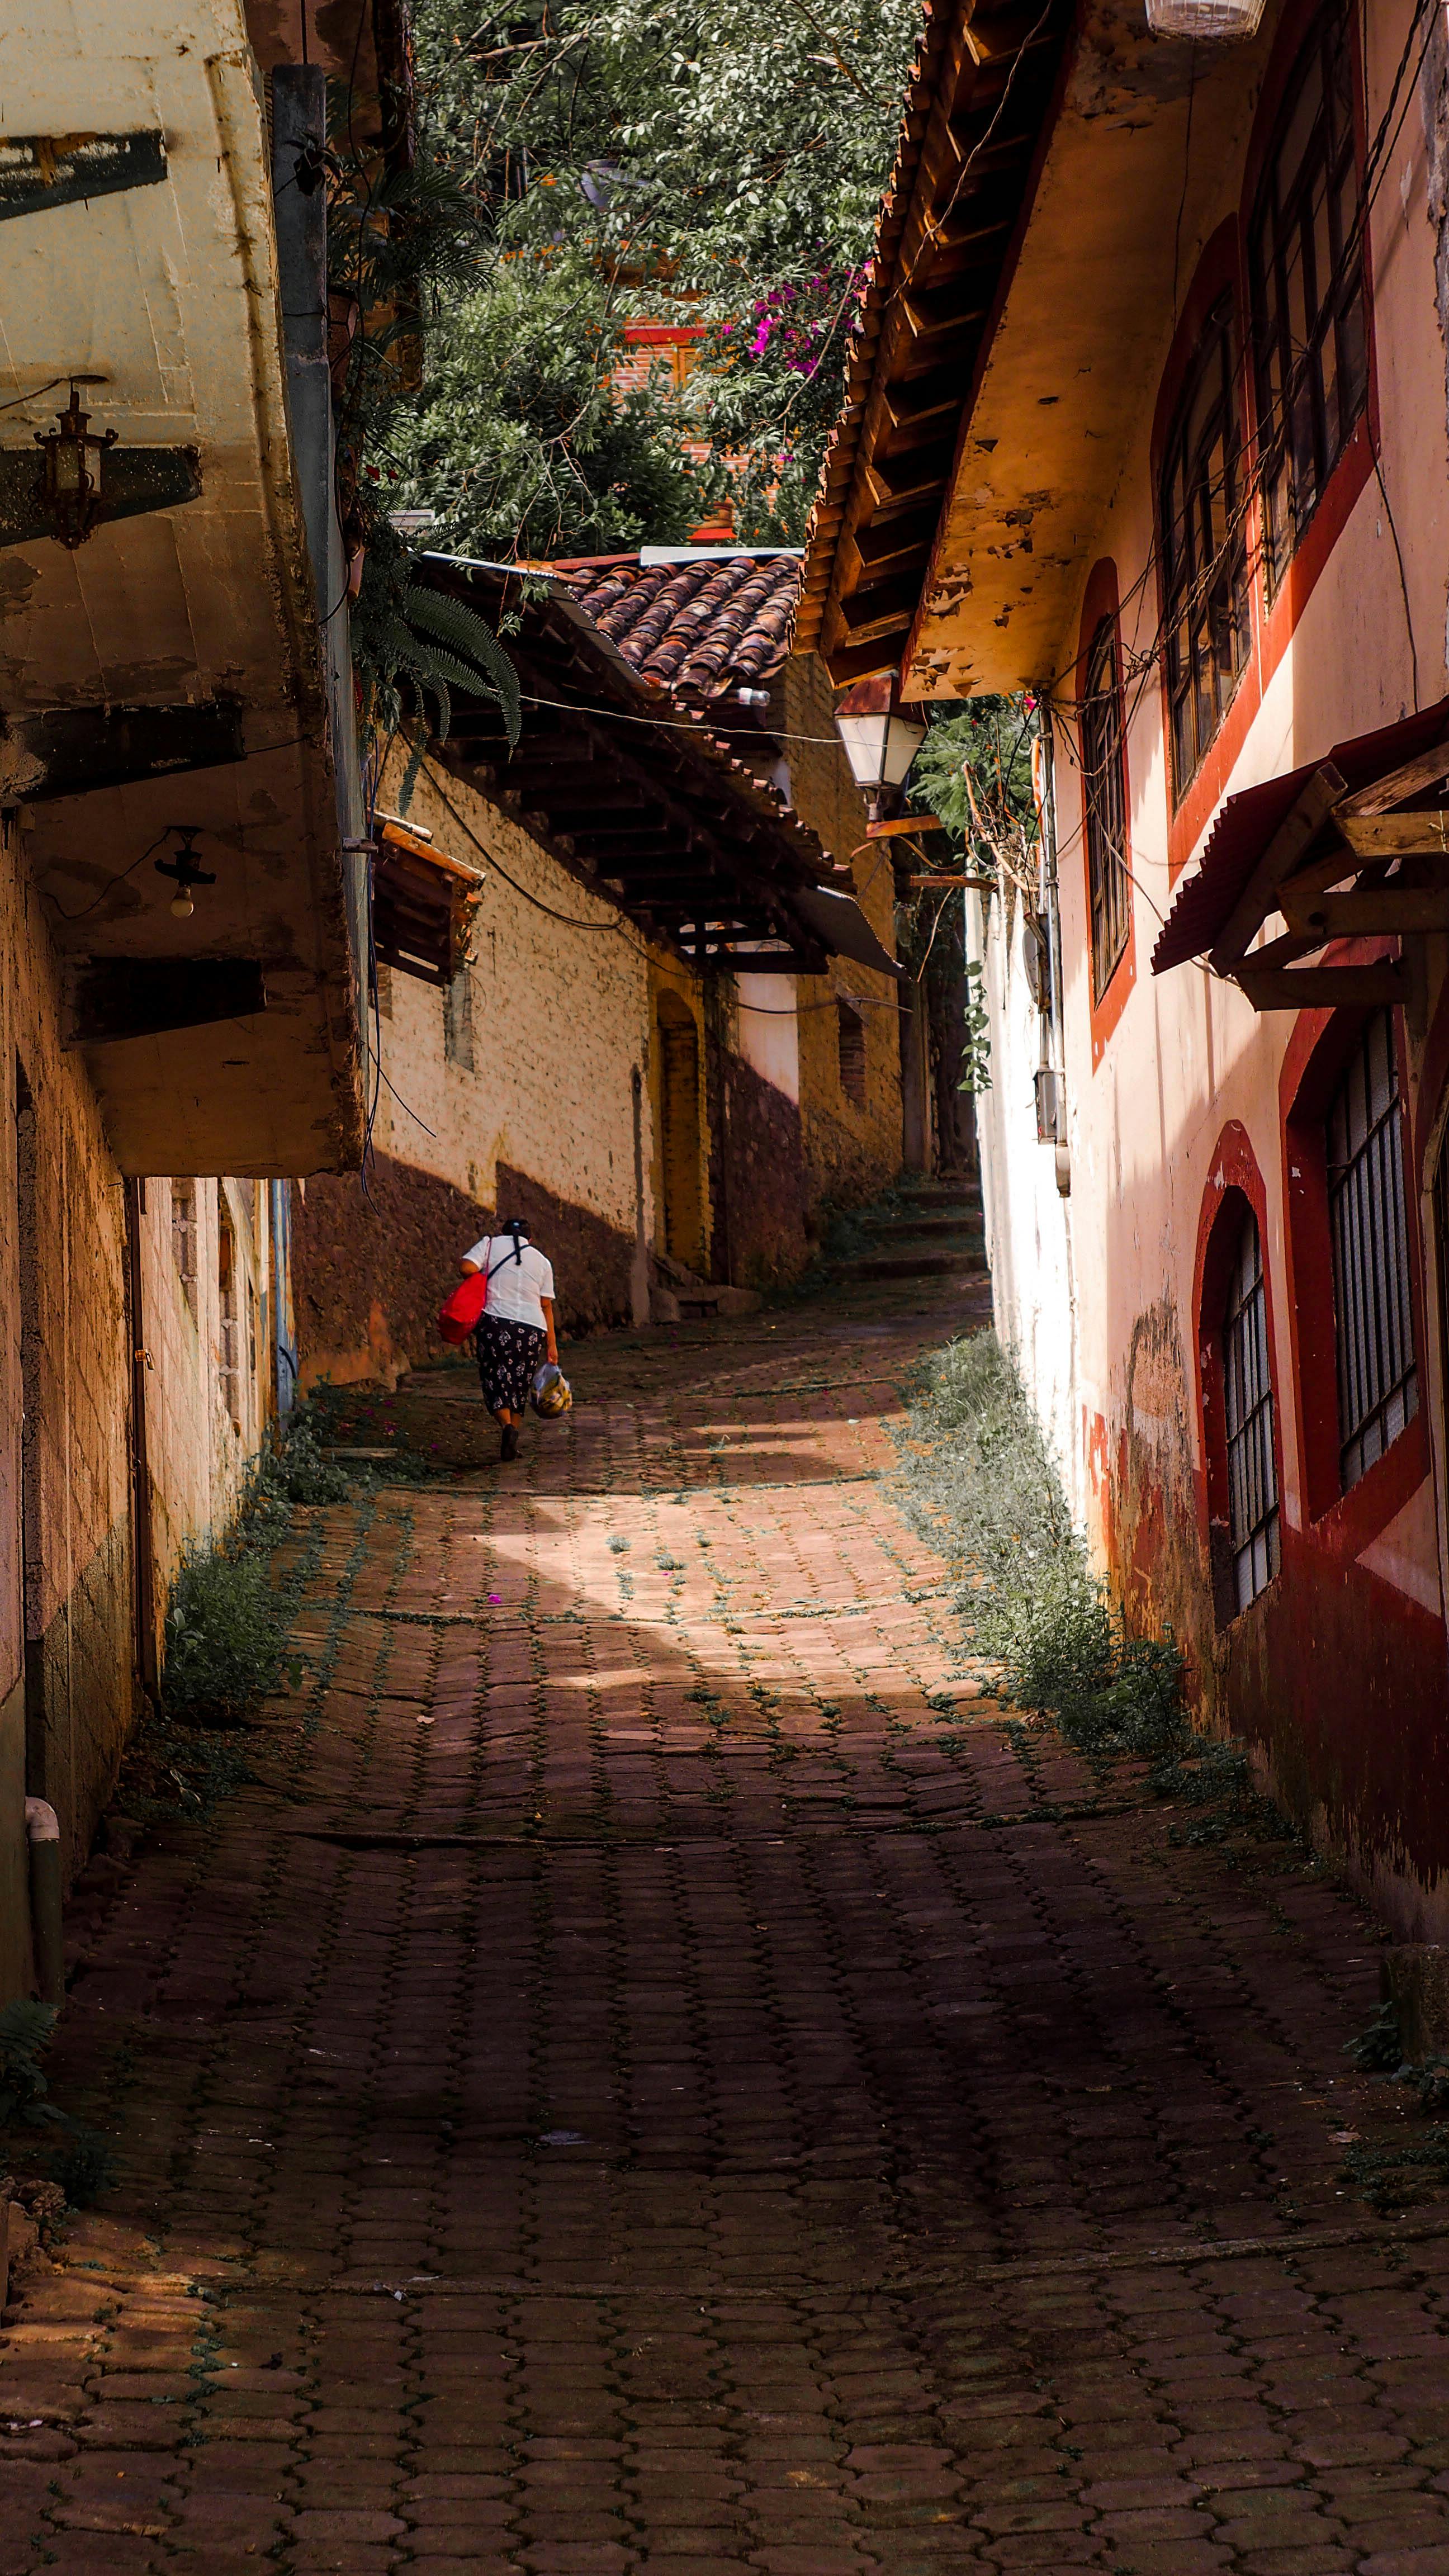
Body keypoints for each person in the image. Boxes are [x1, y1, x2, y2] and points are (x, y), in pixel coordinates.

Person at [458, 1219, 557, 1461]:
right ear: (530, 1240)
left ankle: (507, 1428)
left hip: (496, 1320)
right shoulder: (542, 1261)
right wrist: (552, 1345)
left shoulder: (490, 1245)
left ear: (501, 1233)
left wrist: (486, 1277)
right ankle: (513, 1437)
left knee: (495, 1378)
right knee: (519, 1383)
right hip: (532, 1328)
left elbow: (466, 1268)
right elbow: (546, 1306)